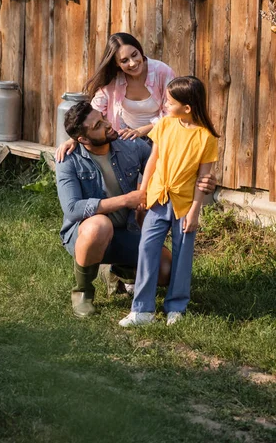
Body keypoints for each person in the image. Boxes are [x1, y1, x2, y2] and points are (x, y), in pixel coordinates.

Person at [55, 100, 216, 318]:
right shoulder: (68, 159)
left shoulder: (130, 144)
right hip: (85, 235)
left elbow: (166, 163)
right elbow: (73, 209)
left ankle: (120, 271)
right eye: (97, 126)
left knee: (166, 272)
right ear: (82, 139)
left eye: (102, 118)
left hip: (128, 230)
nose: (107, 124)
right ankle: (83, 292)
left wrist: (203, 180)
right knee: (99, 226)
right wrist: (127, 200)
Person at [119, 76, 219, 328]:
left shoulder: (206, 138)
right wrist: (143, 192)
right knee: (147, 248)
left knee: (183, 254)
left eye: (170, 101)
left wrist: (195, 211)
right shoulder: (164, 125)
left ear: (187, 107)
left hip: (185, 205)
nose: (165, 103)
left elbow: (204, 179)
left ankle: (176, 306)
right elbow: (153, 160)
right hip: (157, 199)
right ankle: (142, 310)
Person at [56, 32, 175, 162]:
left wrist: (141, 131)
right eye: (124, 60)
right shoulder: (113, 80)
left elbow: (173, 113)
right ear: (117, 64)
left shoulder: (162, 72)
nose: (133, 63)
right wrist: (73, 139)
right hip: (125, 139)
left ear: (140, 50)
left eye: (134, 55)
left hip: (161, 136)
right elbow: (95, 110)